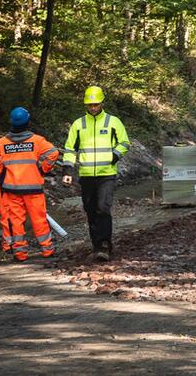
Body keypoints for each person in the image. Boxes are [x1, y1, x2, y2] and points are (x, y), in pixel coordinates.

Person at [0, 107, 59, 261]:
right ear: (27, 122)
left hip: (11, 189)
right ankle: (47, 250)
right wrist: (43, 169)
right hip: (33, 188)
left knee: (16, 221)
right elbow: (53, 153)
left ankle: (20, 253)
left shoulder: (2, 143)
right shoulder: (37, 140)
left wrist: (1, 170)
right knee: (39, 219)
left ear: (12, 123)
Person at [61, 86, 130, 261]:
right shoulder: (78, 124)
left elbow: (124, 143)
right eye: (90, 104)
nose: (93, 107)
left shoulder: (113, 122)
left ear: (102, 103)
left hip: (107, 174)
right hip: (86, 176)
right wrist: (68, 170)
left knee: (103, 208)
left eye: (96, 104)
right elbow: (70, 149)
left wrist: (114, 156)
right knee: (90, 211)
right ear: (86, 104)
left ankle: (105, 245)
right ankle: (96, 245)